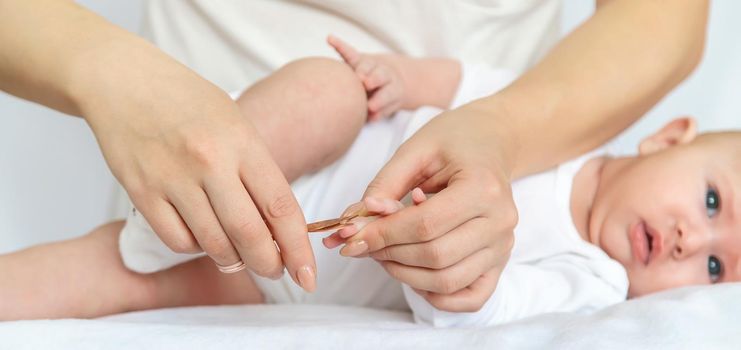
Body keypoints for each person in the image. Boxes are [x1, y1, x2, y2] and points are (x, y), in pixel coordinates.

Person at [0, 0, 709, 311]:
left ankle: (149, 246)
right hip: (252, 138)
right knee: (327, 90)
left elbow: (496, 310)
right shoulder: (549, 119)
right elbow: (458, 82)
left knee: (109, 279)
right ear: (667, 137)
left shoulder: (591, 280)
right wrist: (397, 80)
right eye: (712, 201)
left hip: (283, 275)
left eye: (717, 266)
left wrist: (467, 286)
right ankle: (169, 219)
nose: (692, 238)